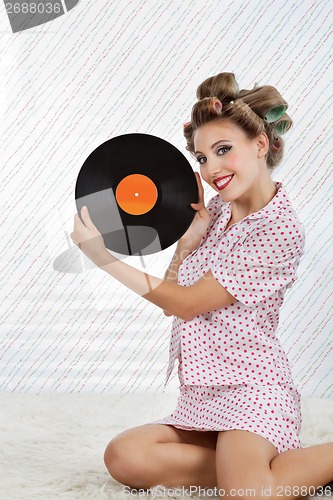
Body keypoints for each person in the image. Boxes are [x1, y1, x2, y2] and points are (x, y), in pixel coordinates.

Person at [70, 72, 333, 499]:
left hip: (253, 394)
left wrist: (104, 258)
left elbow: (190, 304)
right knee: (124, 457)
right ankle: (253, 470)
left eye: (222, 150)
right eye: (202, 158)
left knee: (247, 496)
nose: (211, 170)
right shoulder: (214, 212)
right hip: (203, 395)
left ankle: (262, 473)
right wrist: (186, 246)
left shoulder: (279, 229)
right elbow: (172, 305)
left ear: (260, 144)